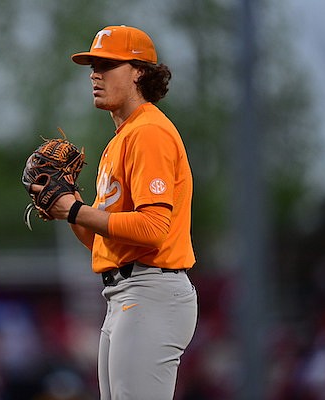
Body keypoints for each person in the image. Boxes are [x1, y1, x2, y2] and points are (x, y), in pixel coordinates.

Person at [34, 25, 198, 400]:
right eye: (93, 65)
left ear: (139, 71)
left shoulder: (149, 133)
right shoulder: (121, 140)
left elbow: (154, 228)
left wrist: (75, 208)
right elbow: (101, 239)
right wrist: (71, 209)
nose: (95, 73)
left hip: (152, 290)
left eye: (107, 64)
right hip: (127, 292)